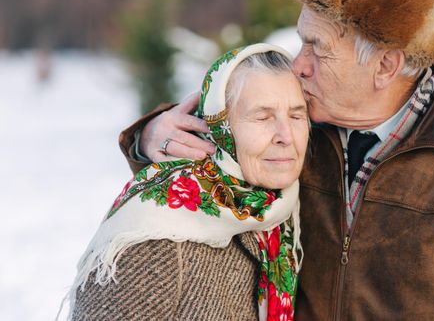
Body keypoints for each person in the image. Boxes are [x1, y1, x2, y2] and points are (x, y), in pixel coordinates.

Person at [119, 0, 434, 319]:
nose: (299, 64)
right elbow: (214, 157)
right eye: (302, 40)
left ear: (385, 65)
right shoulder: (295, 116)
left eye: (319, 47)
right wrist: (151, 134)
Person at [67, 43, 309, 320]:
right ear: (220, 128)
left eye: (296, 115)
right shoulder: (157, 235)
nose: (286, 136)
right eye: (262, 117)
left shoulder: (283, 206)